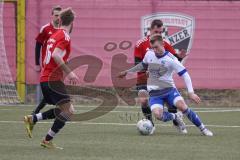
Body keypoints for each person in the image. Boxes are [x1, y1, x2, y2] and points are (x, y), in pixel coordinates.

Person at [119, 34, 213, 136]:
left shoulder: (171, 59)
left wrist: (191, 93)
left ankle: (203, 129)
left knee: (183, 107)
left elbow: (185, 75)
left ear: (163, 44)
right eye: (152, 48)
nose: (154, 50)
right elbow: (142, 65)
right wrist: (127, 71)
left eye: (156, 47)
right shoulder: (149, 54)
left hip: (169, 90)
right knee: (158, 115)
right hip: (154, 94)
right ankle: (176, 117)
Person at [24, 8, 78, 149]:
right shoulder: (65, 36)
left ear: (60, 20)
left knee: (64, 109)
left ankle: (33, 118)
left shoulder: (55, 34)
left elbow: (54, 55)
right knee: (69, 111)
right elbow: (56, 55)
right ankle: (46, 140)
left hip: (45, 78)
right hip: (52, 79)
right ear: (72, 22)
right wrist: (70, 72)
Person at [134, 19, 187, 134]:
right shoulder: (140, 43)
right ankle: (150, 125)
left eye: (161, 32)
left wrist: (180, 57)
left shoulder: (164, 43)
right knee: (143, 100)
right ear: (151, 29)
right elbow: (137, 63)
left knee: (170, 102)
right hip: (143, 78)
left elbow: (175, 60)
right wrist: (148, 70)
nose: (159, 34)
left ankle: (176, 120)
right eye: (157, 31)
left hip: (159, 80)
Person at [33, 5, 62, 114]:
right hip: (48, 65)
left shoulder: (63, 30)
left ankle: (35, 113)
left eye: (60, 15)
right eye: (56, 15)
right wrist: (37, 63)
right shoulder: (45, 29)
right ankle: (36, 113)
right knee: (52, 90)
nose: (58, 18)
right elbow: (38, 45)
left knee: (51, 91)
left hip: (58, 66)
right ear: (52, 16)